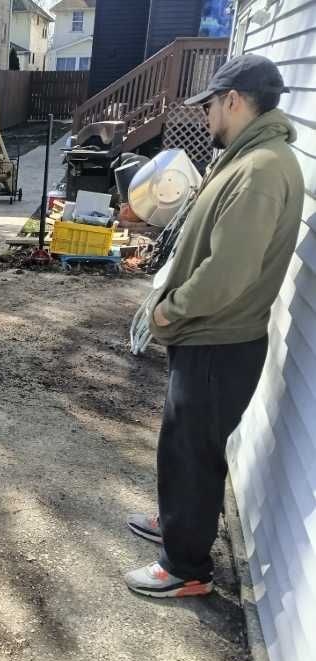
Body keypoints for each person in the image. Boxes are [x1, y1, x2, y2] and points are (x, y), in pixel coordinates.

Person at [124, 55, 304, 598]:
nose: (206, 115)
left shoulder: (262, 169)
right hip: (212, 338)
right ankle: (177, 522)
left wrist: (168, 310)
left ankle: (185, 568)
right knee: (184, 444)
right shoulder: (251, 158)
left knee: (192, 451)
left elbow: (228, 272)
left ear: (233, 100)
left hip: (217, 340)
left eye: (210, 105)